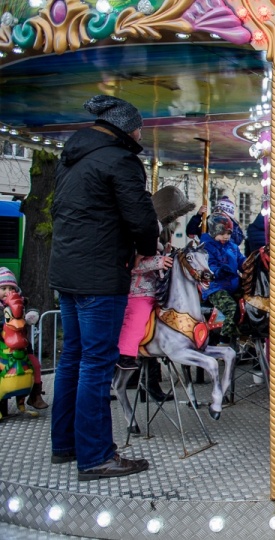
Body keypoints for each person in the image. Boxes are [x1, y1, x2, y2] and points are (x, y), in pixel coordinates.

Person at [50, 95, 158, 480]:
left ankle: (64, 444)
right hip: (100, 274)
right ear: (123, 129)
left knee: (72, 358)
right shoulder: (120, 160)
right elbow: (141, 218)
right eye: (137, 128)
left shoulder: (70, 159)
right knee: (96, 364)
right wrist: (147, 252)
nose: (139, 134)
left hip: (67, 271)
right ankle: (96, 456)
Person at [116, 185, 194, 402]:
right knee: (138, 317)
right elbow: (132, 265)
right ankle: (126, 354)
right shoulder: (132, 237)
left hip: (155, 290)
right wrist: (159, 261)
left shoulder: (155, 235)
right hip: (138, 291)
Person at [0, 268, 48, 409]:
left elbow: (32, 311)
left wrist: (30, 316)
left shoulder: (21, 303)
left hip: (21, 347)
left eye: (11, 288)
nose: (8, 291)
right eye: (3, 288)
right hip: (2, 346)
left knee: (35, 365)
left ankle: (35, 395)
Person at [200, 215, 246, 340]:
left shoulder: (232, 247)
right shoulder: (207, 248)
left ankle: (246, 337)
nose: (226, 236)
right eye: (222, 233)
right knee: (231, 308)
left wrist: (248, 264)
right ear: (214, 232)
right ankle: (224, 339)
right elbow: (209, 266)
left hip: (233, 284)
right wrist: (219, 271)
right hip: (216, 287)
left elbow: (241, 260)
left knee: (251, 302)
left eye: (228, 233)